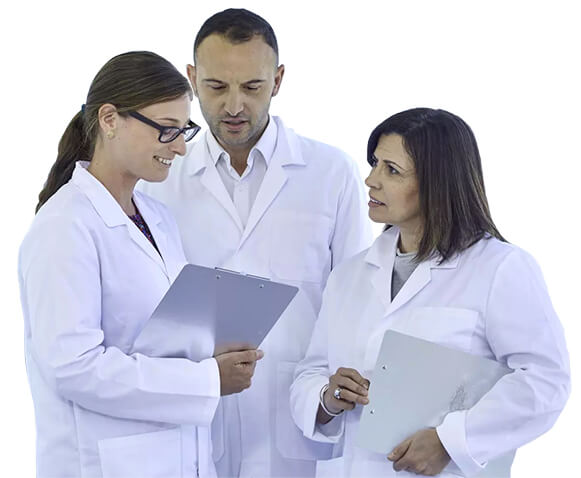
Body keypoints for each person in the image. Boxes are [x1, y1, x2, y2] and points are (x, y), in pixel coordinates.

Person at [139, 8, 373, 478]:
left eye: (252, 87)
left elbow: (357, 305)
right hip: (196, 417)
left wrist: (333, 397)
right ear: (191, 78)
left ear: (279, 79)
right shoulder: (158, 179)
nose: (233, 107)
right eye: (216, 87)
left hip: (302, 423)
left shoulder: (331, 174)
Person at [19, 51, 263, 478]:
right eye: (168, 131)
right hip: (103, 463)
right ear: (110, 119)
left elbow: (155, 338)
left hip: (178, 456)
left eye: (184, 130)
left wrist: (212, 349)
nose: (183, 148)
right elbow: (73, 368)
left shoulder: (157, 218)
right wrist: (206, 381)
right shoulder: (64, 226)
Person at [290, 108, 570, 477]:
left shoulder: (500, 268)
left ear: (438, 182)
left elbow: (545, 380)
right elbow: (310, 371)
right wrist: (327, 397)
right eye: (374, 163)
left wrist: (451, 441)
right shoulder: (349, 275)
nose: (371, 180)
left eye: (392, 170)